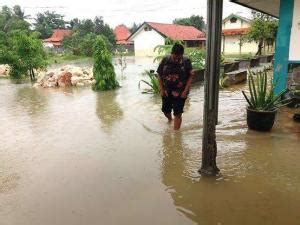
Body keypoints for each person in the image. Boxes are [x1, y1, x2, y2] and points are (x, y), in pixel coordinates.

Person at [157, 43, 193, 130]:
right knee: (165, 110)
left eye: (179, 57)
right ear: (172, 53)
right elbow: (159, 74)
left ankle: (176, 135)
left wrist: (185, 91)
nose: (177, 59)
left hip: (180, 91)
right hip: (166, 90)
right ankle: (170, 119)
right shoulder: (165, 60)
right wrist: (161, 89)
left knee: (178, 113)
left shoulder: (186, 61)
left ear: (182, 54)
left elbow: (191, 75)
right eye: (175, 56)